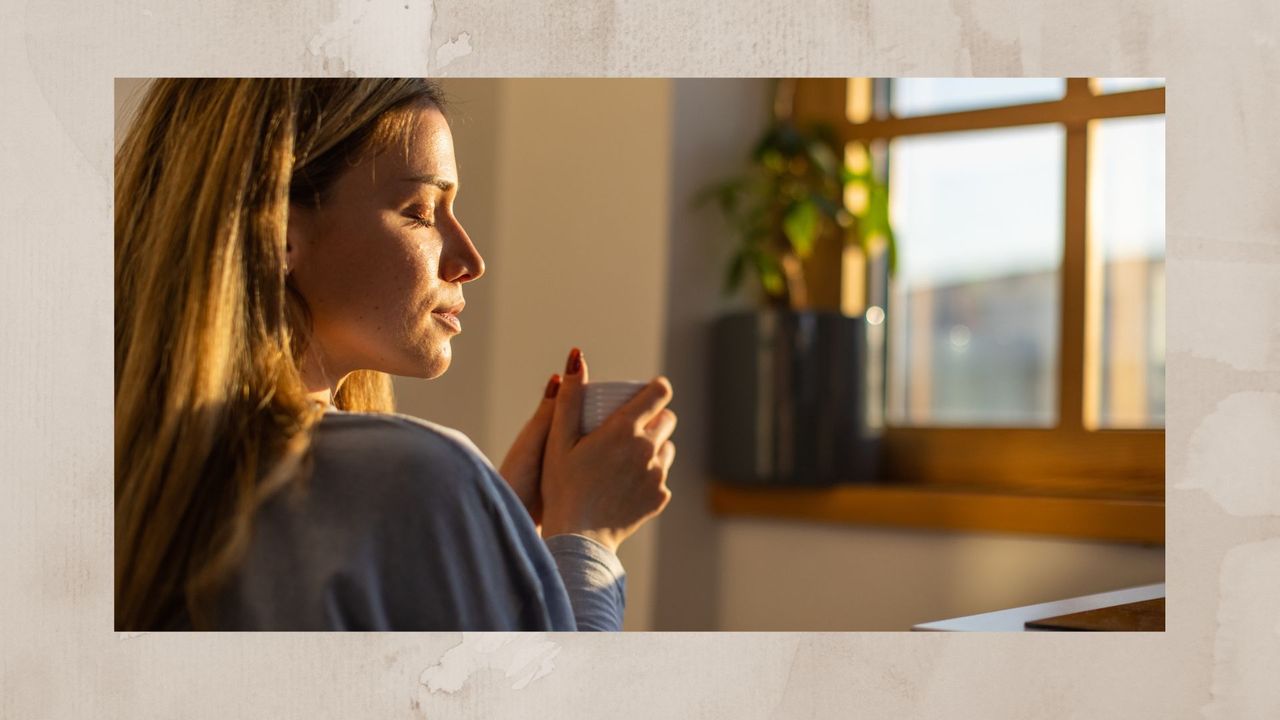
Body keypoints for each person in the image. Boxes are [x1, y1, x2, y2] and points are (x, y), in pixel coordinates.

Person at [114, 78, 676, 631]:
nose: (470, 259)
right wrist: (584, 535)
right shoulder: (416, 479)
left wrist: (490, 531)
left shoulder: (122, 483)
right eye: (422, 210)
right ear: (279, 235)